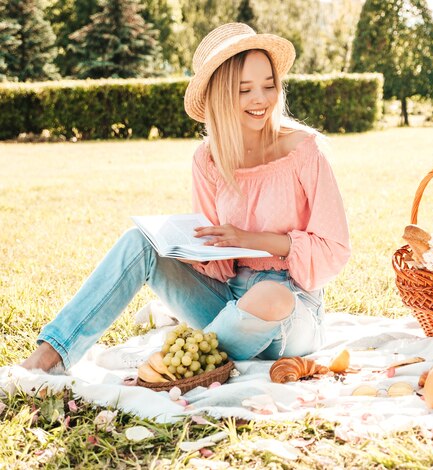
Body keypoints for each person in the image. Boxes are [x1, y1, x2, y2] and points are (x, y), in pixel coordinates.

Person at [22, 23, 351, 372]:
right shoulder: (209, 158)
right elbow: (217, 262)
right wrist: (192, 248)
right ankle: (51, 355)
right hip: (227, 299)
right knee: (139, 241)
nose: (261, 99)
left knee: (271, 295)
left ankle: (171, 355)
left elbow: (335, 248)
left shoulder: (303, 150)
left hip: (292, 307)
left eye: (269, 85)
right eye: (245, 90)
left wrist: (251, 240)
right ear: (221, 95)